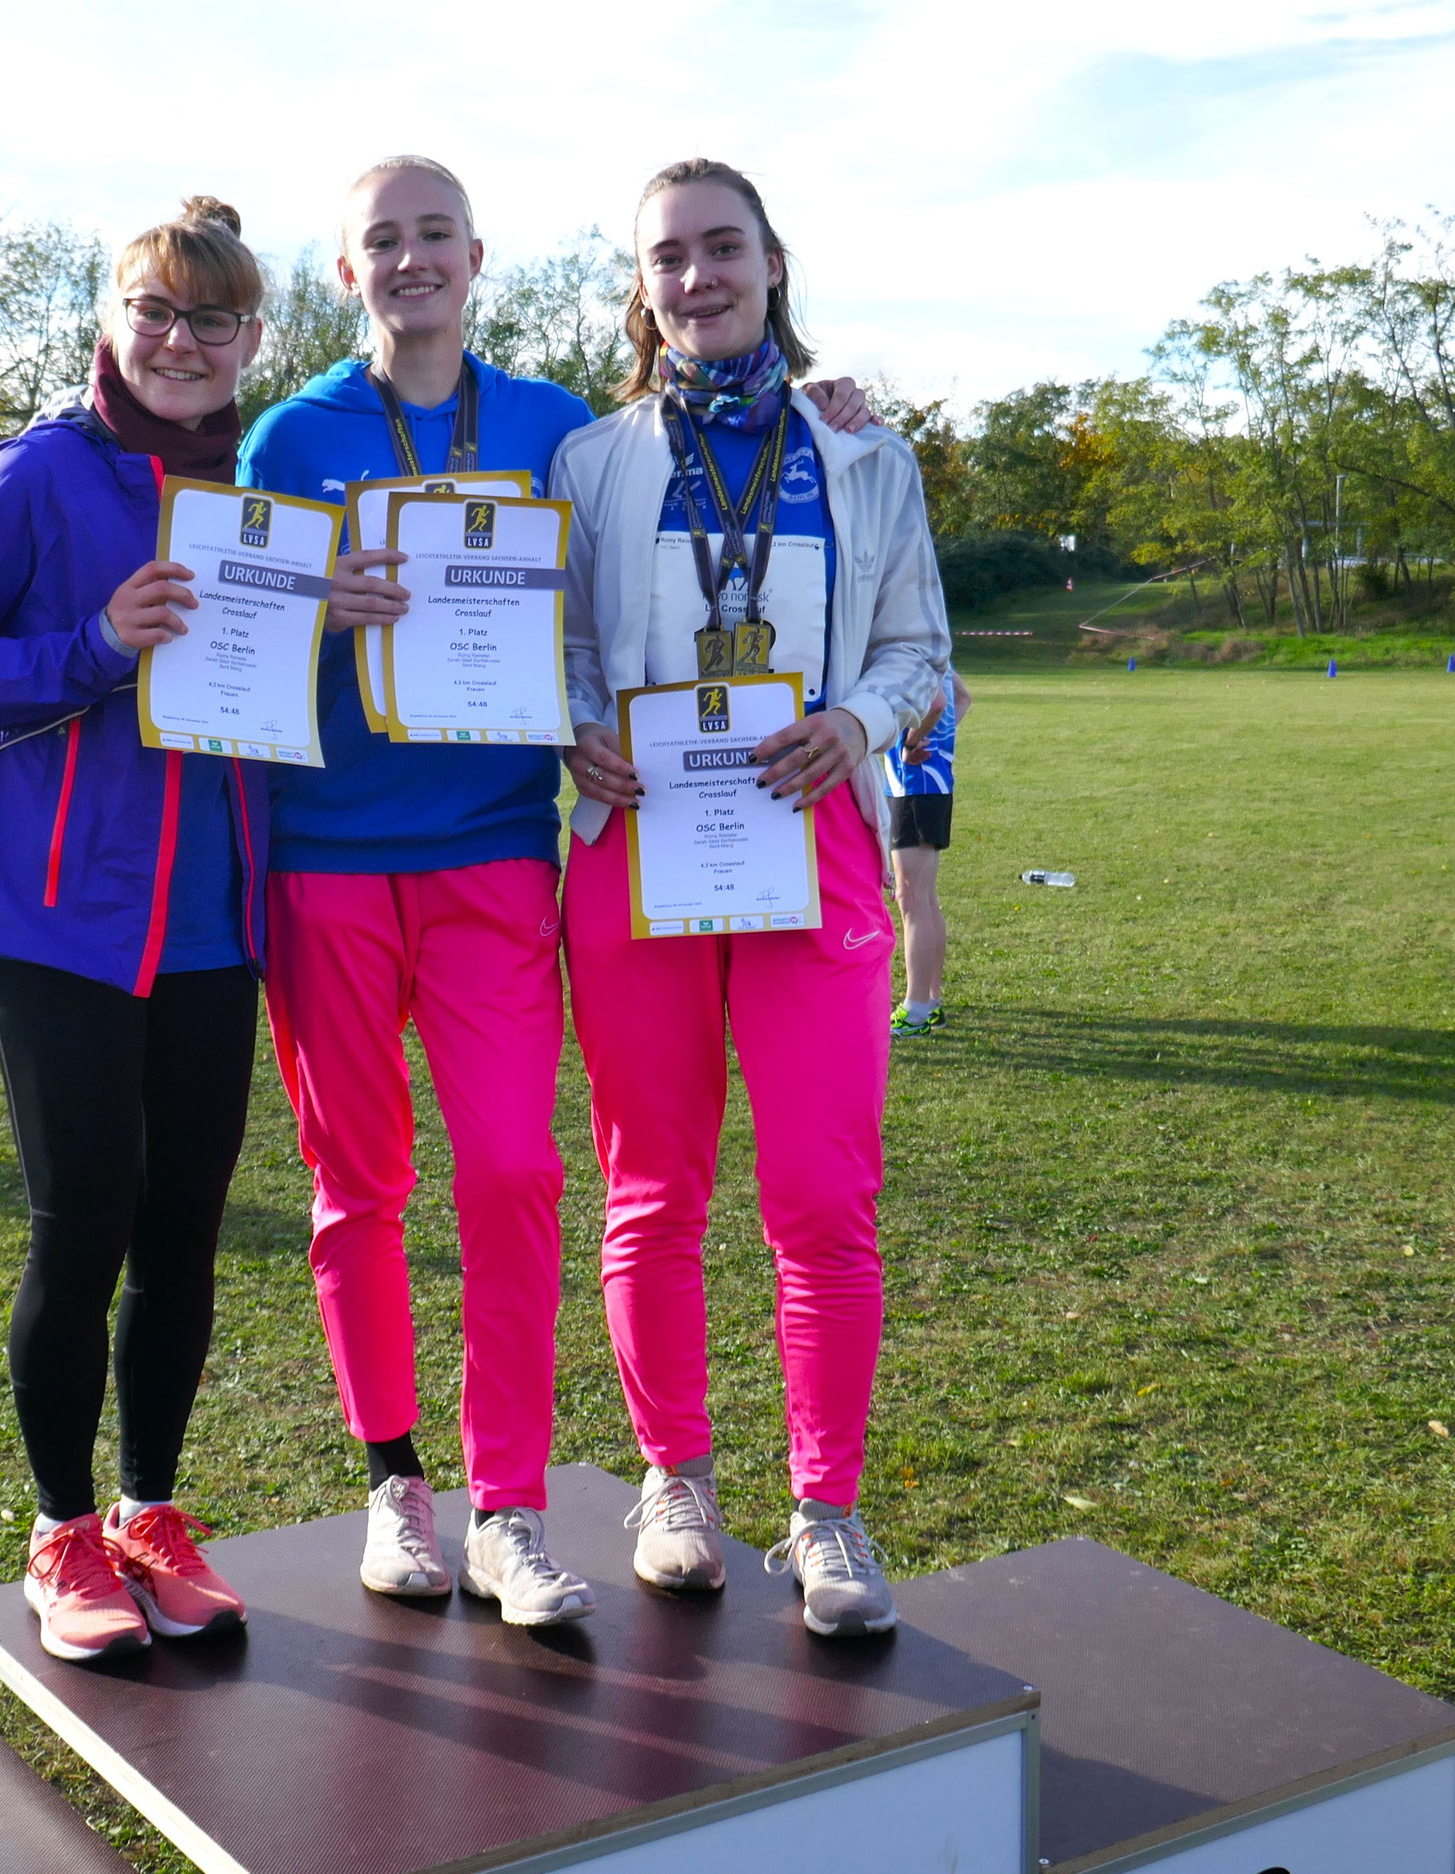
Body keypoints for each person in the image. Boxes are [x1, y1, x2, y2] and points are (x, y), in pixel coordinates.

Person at [237, 156, 877, 1628]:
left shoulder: (554, 432)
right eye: (382, 240)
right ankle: (400, 1483)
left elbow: (617, 606)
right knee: (359, 1187)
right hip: (326, 857)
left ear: (479, 256)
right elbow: (228, 659)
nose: (412, 260)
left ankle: (508, 1507)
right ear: (349, 273)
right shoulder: (288, 435)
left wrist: (835, 405)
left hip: (497, 850)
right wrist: (307, 609)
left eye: (436, 235)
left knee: (519, 1174)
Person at [554, 158, 950, 1637]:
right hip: (639, 841)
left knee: (823, 1198)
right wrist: (574, 720)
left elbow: (920, 647)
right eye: (670, 257)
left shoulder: (866, 455)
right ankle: (674, 1480)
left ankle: (828, 1512)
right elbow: (562, 639)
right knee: (651, 1189)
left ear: (774, 262)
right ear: (643, 287)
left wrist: (858, 722)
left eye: (724, 249)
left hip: (812, 840)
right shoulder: (593, 458)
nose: (698, 277)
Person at [0, 198, 275, 1664]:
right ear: (111, 318)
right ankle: (60, 1531)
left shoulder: (271, 483)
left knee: (185, 1233)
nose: (180, 341)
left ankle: (150, 1513)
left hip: (216, 921)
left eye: (212, 319)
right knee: (85, 1221)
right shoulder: (36, 473)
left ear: (251, 340)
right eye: (156, 312)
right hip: (58, 917)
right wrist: (99, 647)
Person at [886, 669, 969, 1039]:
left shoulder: (914, 651)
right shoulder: (939, 655)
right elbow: (961, 698)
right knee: (926, 899)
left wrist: (911, 742)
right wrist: (938, 741)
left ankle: (915, 1009)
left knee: (912, 899)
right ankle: (930, 1002)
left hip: (914, 785)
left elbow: (937, 703)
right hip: (932, 783)